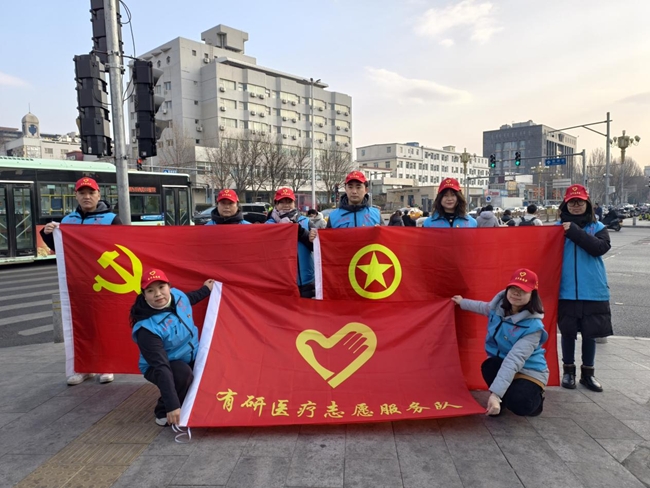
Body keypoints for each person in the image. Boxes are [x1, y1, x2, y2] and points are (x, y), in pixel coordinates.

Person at [40, 176, 120, 386]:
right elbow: (61, 249)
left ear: (98, 195)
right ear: (75, 195)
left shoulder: (111, 219)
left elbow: (122, 249)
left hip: (104, 282)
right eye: (82, 193)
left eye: (91, 193)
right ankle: (84, 367)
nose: (87, 197)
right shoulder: (67, 221)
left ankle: (105, 365)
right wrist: (48, 234)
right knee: (80, 325)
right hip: (77, 283)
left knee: (103, 324)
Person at [451, 268, 548, 416]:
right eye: (513, 288)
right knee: (489, 365)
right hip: (502, 363)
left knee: (522, 404)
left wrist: (495, 394)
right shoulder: (497, 308)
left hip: (529, 371)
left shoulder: (534, 328)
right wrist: (462, 302)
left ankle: (533, 401)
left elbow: (514, 360)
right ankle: (501, 401)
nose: (516, 293)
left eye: (523, 291)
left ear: (532, 295)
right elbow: (482, 307)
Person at [130, 269, 214, 426]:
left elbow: (189, 299)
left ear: (169, 286)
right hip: (163, 365)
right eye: (150, 291)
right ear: (144, 295)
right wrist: (172, 405)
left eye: (161, 287)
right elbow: (161, 366)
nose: (158, 294)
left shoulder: (178, 296)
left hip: (191, 354)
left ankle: (192, 399)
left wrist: (206, 290)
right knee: (182, 374)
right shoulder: (147, 329)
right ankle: (163, 410)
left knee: (217, 359)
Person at [557, 185, 612, 392]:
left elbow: (599, 248)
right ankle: (568, 372)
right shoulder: (556, 228)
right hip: (566, 290)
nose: (576, 205)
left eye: (580, 202)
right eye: (572, 202)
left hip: (593, 290)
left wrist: (574, 231)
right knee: (568, 333)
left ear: (587, 204)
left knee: (591, 334)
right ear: (565, 205)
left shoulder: (598, 227)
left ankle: (588, 374)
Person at [266, 187, 315, 298]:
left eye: (289, 202)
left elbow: (317, 248)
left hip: (306, 282)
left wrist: (300, 232)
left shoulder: (306, 222)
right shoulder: (268, 225)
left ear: (294, 203)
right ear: (276, 204)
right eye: (282, 202)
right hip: (280, 282)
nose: (286, 205)